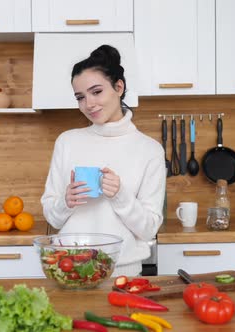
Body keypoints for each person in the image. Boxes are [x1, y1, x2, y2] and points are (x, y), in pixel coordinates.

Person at [40, 45, 166, 276]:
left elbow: (148, 229)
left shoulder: (150, 150)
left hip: (123, 273)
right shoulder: (67, 142)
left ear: (119, 87)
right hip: (69, 268)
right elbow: (53, 217)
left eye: (96, 92)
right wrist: (66, 201)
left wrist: (120, 195)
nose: (89, 104)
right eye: (80, 97)